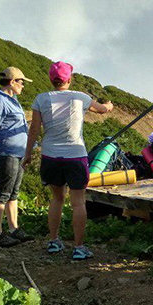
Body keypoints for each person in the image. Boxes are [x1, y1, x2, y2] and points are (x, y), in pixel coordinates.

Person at [22, 61, 113, 260]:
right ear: (69, 80)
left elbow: (34, 130)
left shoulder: (40, 99)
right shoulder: (79, 97)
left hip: (51, 156)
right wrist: (109, 105)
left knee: (57, 199)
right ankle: (79, 247)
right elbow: (102, 110)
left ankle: (54, 241)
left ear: (51, 79)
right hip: (75, 156)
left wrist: (28, 153)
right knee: (78, 203)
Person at [0, 67, 34, 247]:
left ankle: (13, 229)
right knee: (3, 193)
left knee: (13, 193)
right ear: (12, 82)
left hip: (18, 153)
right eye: (21, 82)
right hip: (7, 152)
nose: (23, 86)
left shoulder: (13, 100)